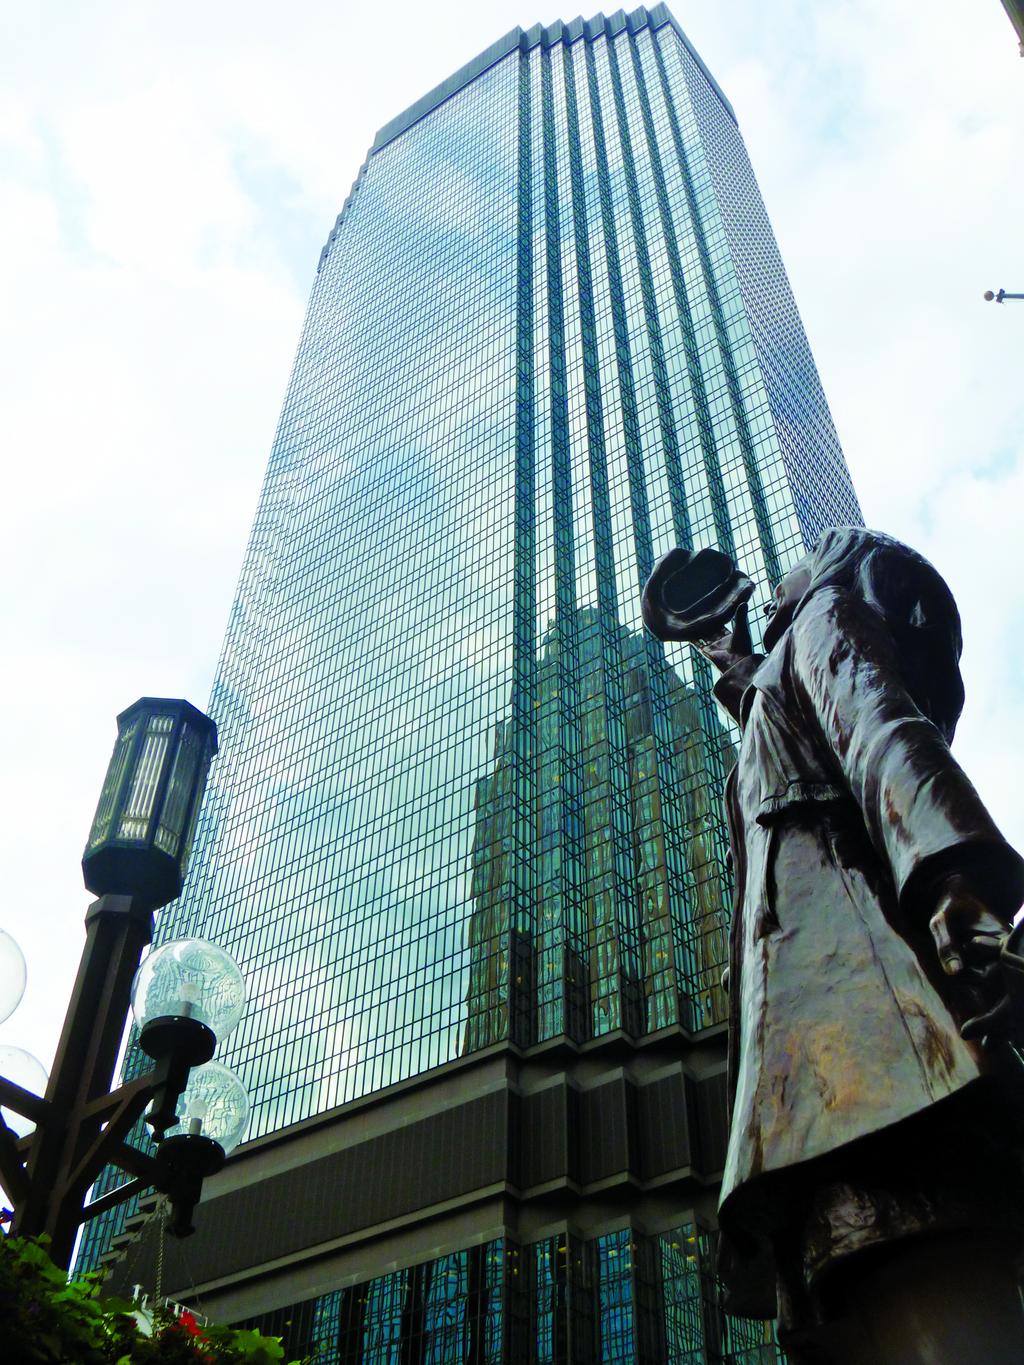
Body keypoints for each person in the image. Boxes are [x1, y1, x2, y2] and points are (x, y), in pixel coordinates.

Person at [666, 528, 1024, 1362]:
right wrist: (727, 655)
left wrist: (952, 875)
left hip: (864, 1007)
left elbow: (879, 731)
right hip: (830, 1021)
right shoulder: (786, 670)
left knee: (912, 1245)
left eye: (796, 566)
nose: (779, 578)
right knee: (875, 1260)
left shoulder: (827, 615)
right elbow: (786, 709)